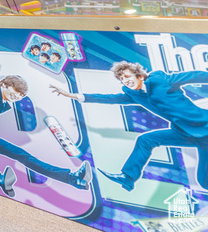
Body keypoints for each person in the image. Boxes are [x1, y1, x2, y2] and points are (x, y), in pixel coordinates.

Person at [0, 32, 91, 198]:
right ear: (4, 84)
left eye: (20, 97)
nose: (16, 98)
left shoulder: (2, 102)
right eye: (15, 93)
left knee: (22, 154)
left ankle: (72, 178)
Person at [51, 61, 208, 191]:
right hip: (182, 132)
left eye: (127, 76)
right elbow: (110, 99)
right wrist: (75, 96)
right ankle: (128, 178)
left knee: (204, 181)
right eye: (121, 79)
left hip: (205, 129)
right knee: (145, 140)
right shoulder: (134, 93)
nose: (125, 81)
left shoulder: (160, 79)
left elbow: (193, 76)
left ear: (139, 75)